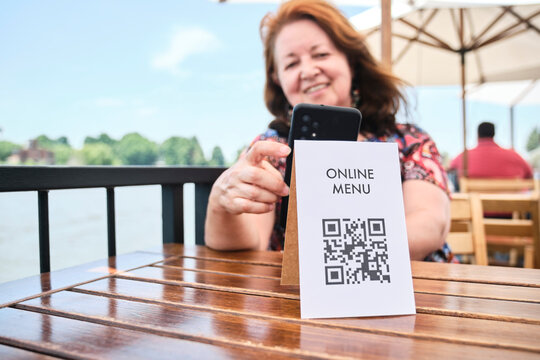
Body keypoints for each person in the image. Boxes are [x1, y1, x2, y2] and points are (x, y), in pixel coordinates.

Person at [205, 0, 454, 262]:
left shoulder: (410, 141)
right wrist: (220, 206)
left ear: (351, 61)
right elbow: (250, 244)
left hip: (415, 291)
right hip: (298, 300)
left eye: (321, 54)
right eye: (291, 64)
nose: (309, 71)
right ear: (278, 79)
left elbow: (429, 226)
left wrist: (331, 256)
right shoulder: (271, 149)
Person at [450, 122, 533, 179]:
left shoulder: (463, 157)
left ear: (478, 134)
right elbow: (529, 175)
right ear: (494, 134)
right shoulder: (514, 156)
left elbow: (450, 169)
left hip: (474, 203)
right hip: (514, 204)